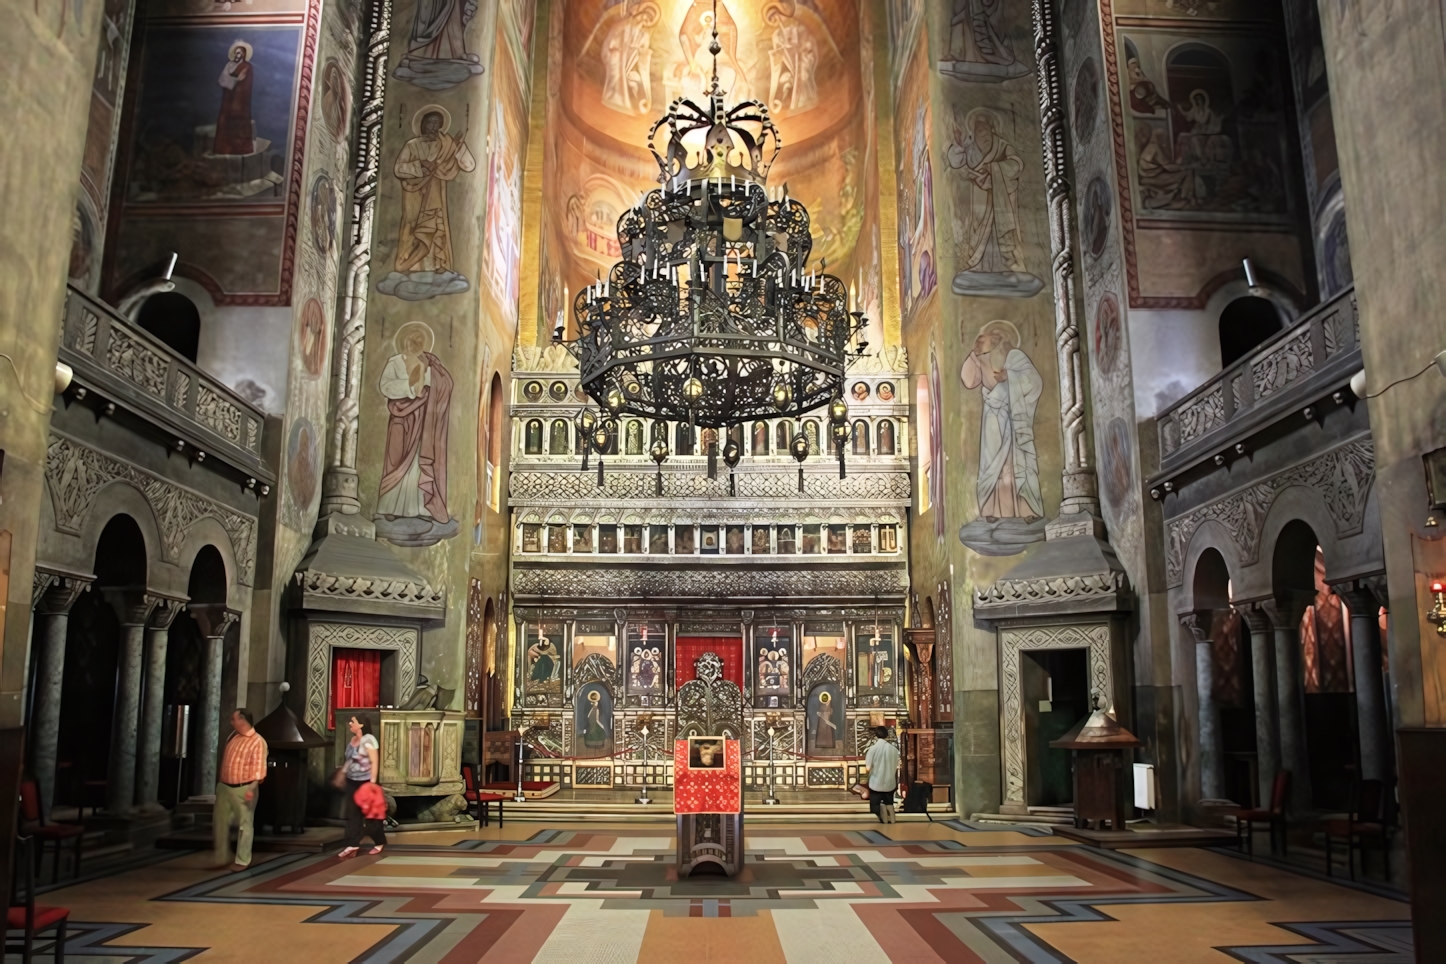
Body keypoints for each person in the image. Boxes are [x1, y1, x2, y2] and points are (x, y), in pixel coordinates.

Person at [211, 708, 267, 871]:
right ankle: (222, 857)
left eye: (233, 719)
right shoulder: (233, 737)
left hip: (244, 788)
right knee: (220, 824)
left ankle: (242, 860)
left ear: (242, 720)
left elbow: (258, 768)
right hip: (225, 787)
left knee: (245, 824)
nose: (231, 722)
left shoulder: (257, 741)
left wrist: (252, 788)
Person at [338, 715, 386, 859]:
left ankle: (379, 841)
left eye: (353, 721)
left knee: (371, 815)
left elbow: (374, 760)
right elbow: (349, 760)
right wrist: (342, 774)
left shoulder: (368, 739)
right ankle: (353, 843)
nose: (350, 724)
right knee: (353, 813)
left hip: (366, 782)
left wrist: (372, 782)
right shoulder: (352, 741)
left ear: (362, 725)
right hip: (352, 781)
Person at [864, 726, 901, 824]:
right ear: (887, 735)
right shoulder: (894, 750)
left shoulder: (872, 749)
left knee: (876, 807)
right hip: (890, 783)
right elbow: (897, 765)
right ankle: (892, 820)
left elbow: (868, 768)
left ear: (875, 736)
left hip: (876, 783)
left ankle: (881, 822)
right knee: (889, 803)